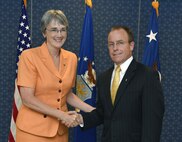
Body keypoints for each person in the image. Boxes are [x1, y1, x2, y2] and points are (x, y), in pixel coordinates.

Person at [15, 9, 94, 142]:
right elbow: (27, 98)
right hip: (33, 132)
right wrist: (62, 115)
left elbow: (66, 93)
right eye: (54, 30)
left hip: (60, 132)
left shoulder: (72, 58)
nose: (59, 34)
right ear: (44, 32)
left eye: (63, 29)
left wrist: (93, 111)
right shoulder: (28, 56)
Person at [77, 25, 164, 142]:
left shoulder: (148, 76)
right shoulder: (103, 78)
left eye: (120, 43)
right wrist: (81, 119)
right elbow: (103, 113)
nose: (115, 48)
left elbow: (152, 124)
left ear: (131, 45)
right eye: (111, 44)